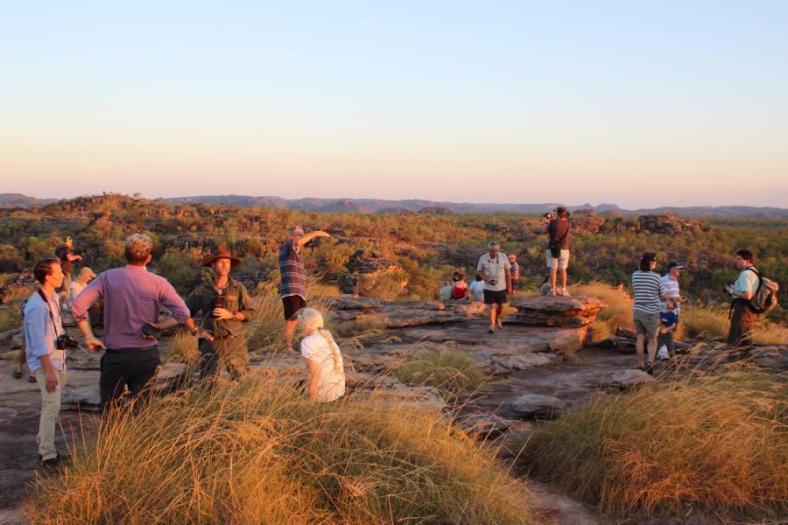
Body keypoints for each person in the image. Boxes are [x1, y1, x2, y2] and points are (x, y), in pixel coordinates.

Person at [71, 234, 197, 412]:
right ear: (149, 257)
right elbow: (183, 313)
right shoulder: (159, 283)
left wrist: (89, 336)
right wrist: (159, 326)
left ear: (125, 254)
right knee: (142, 411)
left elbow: (78, 305)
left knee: (110, 410)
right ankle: (138, 439)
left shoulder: (107, 278)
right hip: (146, 356)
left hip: (116, 357)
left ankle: (112, 440)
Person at [187, 244, 255, 381]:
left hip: (234, 341)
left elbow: (251, 312)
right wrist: (198, 331)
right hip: (210, 343)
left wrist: (232, 315)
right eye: (221, 262)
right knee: (208, 383)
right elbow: (185, 313)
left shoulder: (238, 288)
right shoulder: (203, 290)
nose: (225, 266)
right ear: (213, 265)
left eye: (228, 262)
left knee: (242, 381)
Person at [23, 258, 68, 468]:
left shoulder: (52, 298)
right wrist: (49, 371)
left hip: (57, 361)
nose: (63, 275)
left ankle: (43, 444)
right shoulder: (35, 306)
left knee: (49, 406)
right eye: (58, 272)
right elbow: (37, 343)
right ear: (48, 276)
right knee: (52, 406)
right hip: (46, 364)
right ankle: (49, 455)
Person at [279, 225, 330, 353]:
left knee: (302, 320)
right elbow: (298, 242)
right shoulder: (289, 246)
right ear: (291, 236)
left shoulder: (295, 253)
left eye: (302, 234)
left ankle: (304, 346)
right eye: (297, 234)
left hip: (298, 292)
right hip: (291, 291)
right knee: (291, 321)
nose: (300, 237)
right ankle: (288, 348)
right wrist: (316, 232)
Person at [631, 252, 673, 371]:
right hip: (651, 312)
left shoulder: (635, 275)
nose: (655, 264)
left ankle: (640, 363)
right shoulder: (656, 277)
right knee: (653, 339)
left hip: (637, 310)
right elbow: (663, 295)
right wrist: (670, 301)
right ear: (651, 263)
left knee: (639, 338)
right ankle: (650, 362)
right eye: (654, 262)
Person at [297, 308, 345, 402]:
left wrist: (311, 405)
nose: (299, 326)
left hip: (324, 398)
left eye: (300, 323)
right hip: (338, 394)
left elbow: (314, 375)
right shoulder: (328, 338)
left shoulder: (308, 342)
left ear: (306, 324)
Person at [726, 249, 760, 348]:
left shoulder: (746, 274)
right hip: (749, 309)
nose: (736, 261)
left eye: (739, 259)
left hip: (742, 309)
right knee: (745, 337)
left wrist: (730, 290)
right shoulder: (754, 272)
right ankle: (745, 360)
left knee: (736, 338)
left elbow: (747, 295)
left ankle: (735, 361)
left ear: (748, 260)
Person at [477, 241, 512, 334]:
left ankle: (498, 318)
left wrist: (510, 286)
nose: (494, 252)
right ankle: (492, 325)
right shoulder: (483, 258)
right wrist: (486, 279)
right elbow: (479, 271)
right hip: (489, 287)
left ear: (498, 250)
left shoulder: (503, 256)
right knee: (492, 306)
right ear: (489, 250)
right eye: (492, 250)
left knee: (501, 306)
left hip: (501, 287)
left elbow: (508, 272)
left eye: (496, 250)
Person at [659, 262, 687, 349]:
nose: (679, 271)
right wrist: (676, 299)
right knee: (666, 333)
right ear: (672, 270)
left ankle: (664, 352)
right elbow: (661, 295)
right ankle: (665, 353)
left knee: (670, 332)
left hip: (674, 311)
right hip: (666, 310)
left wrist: (680, 298)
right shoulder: (664, 280)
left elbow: (674, 295)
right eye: (677, 269)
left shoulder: (675, 281)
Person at [546, 207, 571, 296]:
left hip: (553, 248)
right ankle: (564, 290)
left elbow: (546, 231)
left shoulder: (553, 222)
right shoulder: (568, 223)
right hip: (565, 249)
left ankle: (552, 290)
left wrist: (549, 221)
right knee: (563, 269)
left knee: (553, 269)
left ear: (558, 214)